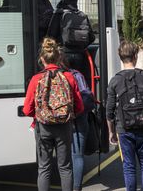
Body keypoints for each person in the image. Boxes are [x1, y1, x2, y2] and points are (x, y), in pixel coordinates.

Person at [23, 37, 84, 191]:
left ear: (42, 58)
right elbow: (79, 106)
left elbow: (26, 109)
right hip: (64, 127)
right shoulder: (69, 77)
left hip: (43, 127)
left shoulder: (36, 79)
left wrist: (40, 114)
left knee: (44, 168)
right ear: (59, 57)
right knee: (65, 168)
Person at [106, 41, 143, 191]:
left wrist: (111, 132)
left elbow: (109, 110)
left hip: (124, 128)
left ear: (121, 57)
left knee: (129, 167)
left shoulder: (115, 81)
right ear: (135, 56)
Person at [59, 56, 95, 191]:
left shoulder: (50, 76)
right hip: (79, 119)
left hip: (58, 122)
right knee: (77, 156)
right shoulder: (76, 75)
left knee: (62, 159)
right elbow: (88, 98)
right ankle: (76, 188)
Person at [47, 0, 95, 85]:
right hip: (80, 55)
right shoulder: (82, 15)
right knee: (78, 80)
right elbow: (91, 37)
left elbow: (50, 34)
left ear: (63, 0)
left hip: (63, 54)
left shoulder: (59, 14)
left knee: (64, 81)